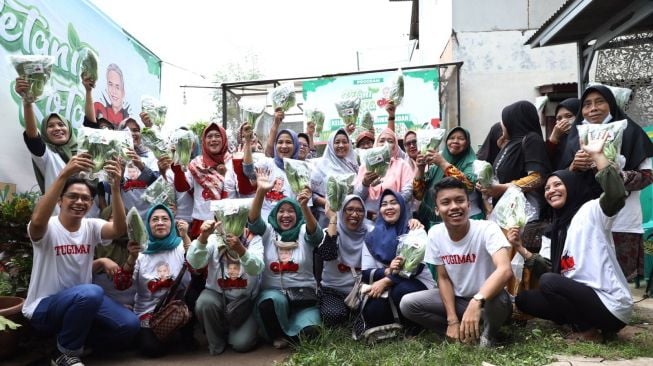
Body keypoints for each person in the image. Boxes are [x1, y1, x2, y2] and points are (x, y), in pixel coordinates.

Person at [513, 132, 632, 342]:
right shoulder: (553, 230)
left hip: (610, 305)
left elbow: (616, 195)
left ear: (572, 186)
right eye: (547, 188)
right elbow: (549, 268)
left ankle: (587, 330)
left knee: (550, 282)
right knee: (525, 299)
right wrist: (520, 248)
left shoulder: (591, 211)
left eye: (558, 184)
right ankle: (581, 322)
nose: (551, 190)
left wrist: (598, 157)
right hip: (581, 298)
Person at [23, 155, 139, 366]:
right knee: (92, 291)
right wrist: (64, 174)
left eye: (85, 198)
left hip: (82, 301)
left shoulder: (91, 226)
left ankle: (70, 344)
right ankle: (65, 353)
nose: (79, 202)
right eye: (72, 196)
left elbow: (119, 229)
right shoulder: (48, 227)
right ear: (60, 200)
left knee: (129, 325)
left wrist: (115, 187)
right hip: (44, 307)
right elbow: (37, 222)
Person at [400, 178, 513, 347]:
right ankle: (459, 331)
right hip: (459, 301)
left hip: (489, 301)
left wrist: (477, 300)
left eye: (459, 200)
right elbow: (443, 278)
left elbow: (505, 270)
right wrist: (452, 319)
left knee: (500, 299)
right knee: (408, 304)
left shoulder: (487, 229)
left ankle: (488, 336)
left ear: (468, 205)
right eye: (446, 202)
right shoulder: (435, 233)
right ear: (437, 210)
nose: (454, 207)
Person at [560, 85, 653, 281]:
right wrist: (573, 167)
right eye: (587, 104)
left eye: (600, 101)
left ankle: (614, 308)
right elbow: (562, 177)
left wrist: (617, 175)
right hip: (583, 213)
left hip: (621, 214)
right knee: (585, 270)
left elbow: (647, 175)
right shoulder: (575, 136)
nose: (593, 108)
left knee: (615, 275)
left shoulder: (631, 132)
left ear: (611, 104)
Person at [247, 167, 324, 349]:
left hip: (303, 298)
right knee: (271, 302)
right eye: (282, 211)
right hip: (275, 296)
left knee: (312, 330)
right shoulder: (269, 232)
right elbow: (253, 221)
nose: (286, 215)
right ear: (275, 215)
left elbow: (317, 236)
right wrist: (260, 192)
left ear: (298, 216)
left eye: (291, 211)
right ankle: (279, 335)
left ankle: (291, 331)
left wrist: (304, 206)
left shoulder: (304, 230)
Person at [114, 204, 191, 357]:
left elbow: (198, 267)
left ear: (172, 223)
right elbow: (121, 284)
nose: (160, 223)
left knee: (194, 294)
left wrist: (186, 236)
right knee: (151, 350)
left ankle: (182, 334)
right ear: (147, 225)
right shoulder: (141, 251)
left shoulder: (181, 246)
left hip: (178, 309)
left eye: (165, 219)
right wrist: (132, 257)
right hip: (149, 313)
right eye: (154, 219)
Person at [356, 190, 434, 338]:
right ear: (380, 210)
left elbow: (414, 269)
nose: (389, 207)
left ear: (403, 206)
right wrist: (386, 272)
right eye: (384, 204)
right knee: (372, 308)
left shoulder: (414, 230)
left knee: (400, 291)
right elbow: (366, 272)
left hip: (416, 282)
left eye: (394, 202)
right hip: (386, 281)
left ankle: (413, 326)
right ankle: (393, 327)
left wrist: (386, 281)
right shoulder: (372, 236)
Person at [478, 101, 551, 248]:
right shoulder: (509, 143)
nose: (501, 124)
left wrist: (502, 188)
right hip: (507, 213)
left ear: (514, 120)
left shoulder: (531, 139)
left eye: (504, 119)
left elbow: (537, 177)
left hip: (524, 215)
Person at [188, 221, 264, 355]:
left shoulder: (254, 239)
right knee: (204, 303)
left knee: (241, 344)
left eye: (236, 218)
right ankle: (216, 342)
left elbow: (256, 269)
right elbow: (195, 263)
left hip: (244, 303)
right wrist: (202, 238)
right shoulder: (213, 238)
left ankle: (237, 331)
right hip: (217, 295)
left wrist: (241, 250)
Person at [316, 195, 372, 326]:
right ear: (342, 211)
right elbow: (327, 255)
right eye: (349, 209)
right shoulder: (330, 232)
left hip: (361, 291)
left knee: (376, 312)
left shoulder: (370, 232)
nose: (354, 214)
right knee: (332, 315)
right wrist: (333, 218)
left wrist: (414, 224)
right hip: (333, 290)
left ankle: (355, 315)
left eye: (359, 210)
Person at [413, 127, 481, 229]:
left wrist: (442, 163)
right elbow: (418, 194)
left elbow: (468, 186)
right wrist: (420, 169)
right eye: (452, 138)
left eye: (461, 138)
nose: (455, 141)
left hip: (455, 220)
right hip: (428, 218)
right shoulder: (437, 159)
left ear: (467, 143)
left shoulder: (472, 163)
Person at [172, 123, 231, 239]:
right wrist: (178, 165)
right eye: (209, 137)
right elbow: (182, 187)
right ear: (204, 141)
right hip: (200, 222)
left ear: (224, 139)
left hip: (228, 220)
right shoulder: (196, 164)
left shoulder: (232, 161)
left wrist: (224, 176)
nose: (213, 139)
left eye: (217, 136)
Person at [241, 128, 302, 219]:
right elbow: (249, 171)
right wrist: (247, 141)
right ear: (275, 145)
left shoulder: (301, 170)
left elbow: (304, 205)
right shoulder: (267, 164)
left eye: (288, 142)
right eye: (280, 142)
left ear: (296, 145)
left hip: (290, 223)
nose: (284, 146)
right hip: (266, 222)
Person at [353, 129, 413, 219]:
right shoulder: (365, 167)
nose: (385, 144)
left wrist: (389, 209)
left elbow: (407, 192)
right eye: (382, 141)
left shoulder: (402, 165)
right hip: (370, 221)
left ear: (395, 146)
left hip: (396, 218)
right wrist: (364, 184)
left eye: (390, 141)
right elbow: (357, 197)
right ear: (376, 144)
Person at [310, 128, 360, 228]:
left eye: (344, 142)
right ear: (331, 144)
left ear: (349, 145)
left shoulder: (354, 166)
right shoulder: (321, 166)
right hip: (327, 217)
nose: (341, 145)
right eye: (337, 142)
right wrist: (329, 203)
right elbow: (312, 194)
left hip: (350, 217)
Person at [546, 98, 580, 170]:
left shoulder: (585, 137)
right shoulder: (559, 140)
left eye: (569, 116)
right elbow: (544, 162)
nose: (563, 121)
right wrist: (553, 138)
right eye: (559, 118)